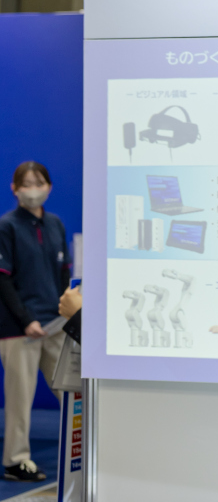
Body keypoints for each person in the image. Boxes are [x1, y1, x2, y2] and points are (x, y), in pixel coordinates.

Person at [0, 162, 71, 482]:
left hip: (56, 325)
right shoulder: (7, 226)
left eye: (39, 182)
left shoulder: (55, 223)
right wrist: (26, 320)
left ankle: (85, 448)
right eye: (26, 184)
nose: (33, 190)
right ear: (14, 189)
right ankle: (16, 461)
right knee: (20, 398)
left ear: (49, 187)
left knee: (71, 392)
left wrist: (67, 312)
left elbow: (64, 272)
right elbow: (2, 280)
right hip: (20, 330)